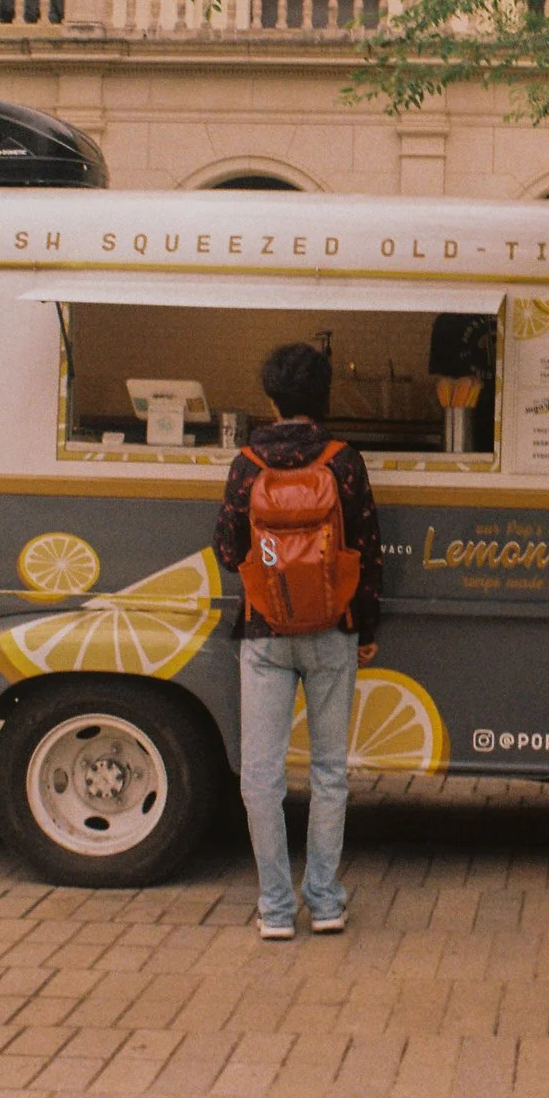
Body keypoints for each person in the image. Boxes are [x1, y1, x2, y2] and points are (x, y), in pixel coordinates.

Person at [213, 343, 382, 940]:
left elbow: (228, 550)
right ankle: (327, 903)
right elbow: (365, 549)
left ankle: (276, 909)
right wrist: (365, 629)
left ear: (271, 398)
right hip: (333, 630)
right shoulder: (344, 461)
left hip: (265, 632)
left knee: (261, 775)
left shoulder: (248, 462)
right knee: (330, 771)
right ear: (323, 396)